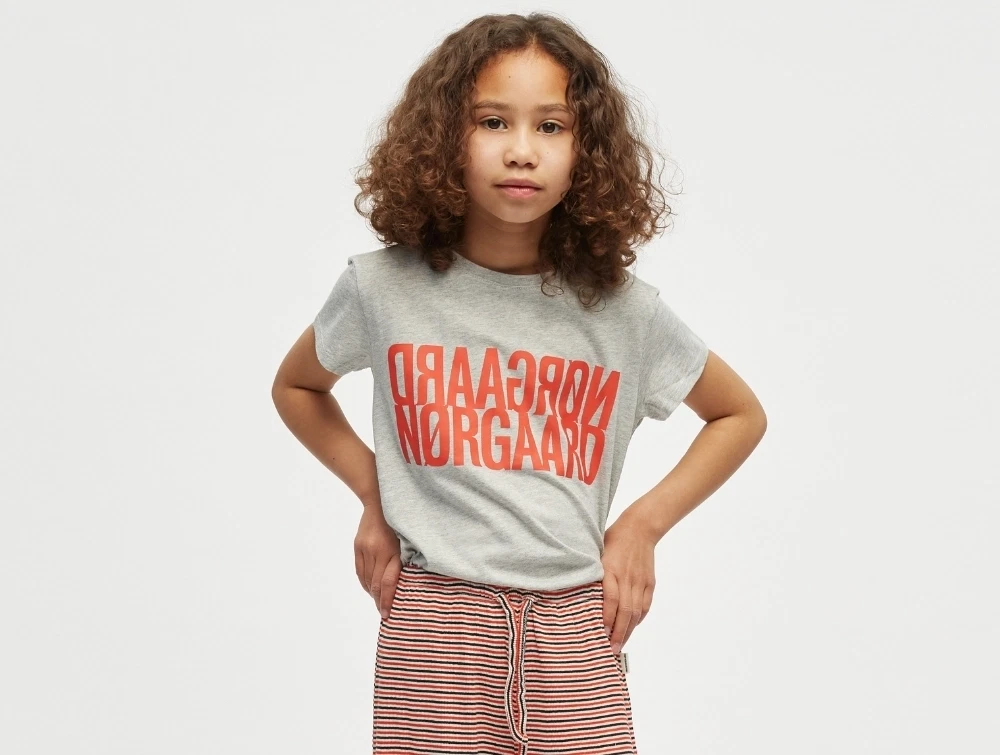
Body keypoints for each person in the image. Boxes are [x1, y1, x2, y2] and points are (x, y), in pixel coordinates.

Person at [272, 11, 767, 755]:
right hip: (433, 629)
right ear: (444, 136)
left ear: (585, 152)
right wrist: (377, 494)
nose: (522, 150)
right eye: (493, 121)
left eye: (552, 126)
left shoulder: (623, 312)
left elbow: (738, 414)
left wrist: (641, 526)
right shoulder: (382, 290)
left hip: (578, 626)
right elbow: (298, 387)